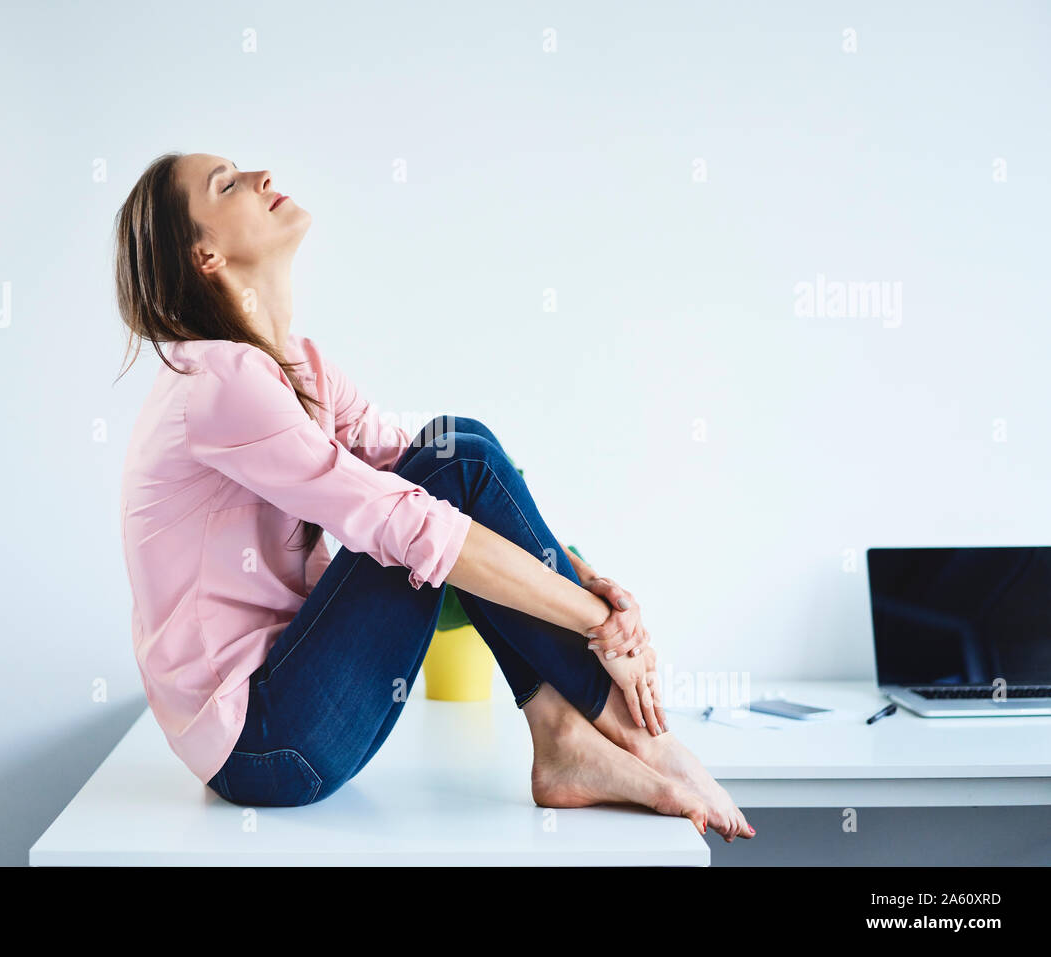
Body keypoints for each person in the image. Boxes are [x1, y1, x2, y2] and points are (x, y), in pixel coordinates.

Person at [113, 151, 754, 841]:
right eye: (228, 184)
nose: (262, 176)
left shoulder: (298, 366)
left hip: (292, 715)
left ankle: (563, 734)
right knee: (457, 464)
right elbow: (409, 514)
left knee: (457, 444)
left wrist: (576, 569)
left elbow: (432, 466)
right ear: (204, 254)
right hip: (264, 745)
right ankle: (638, 734)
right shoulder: (217, 382)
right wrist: (600, 620)